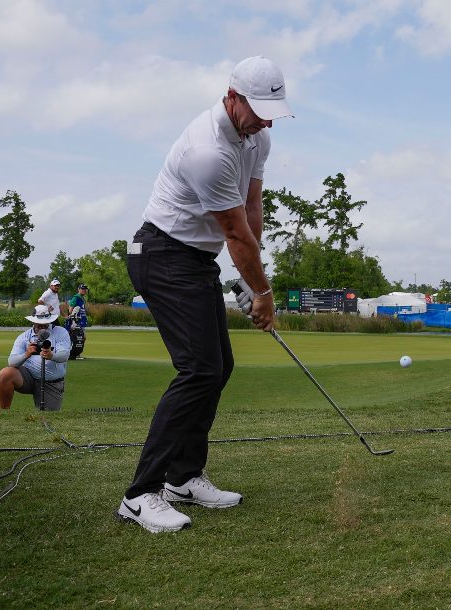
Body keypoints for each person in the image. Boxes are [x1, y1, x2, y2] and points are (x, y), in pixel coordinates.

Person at [117, 56, 291, 534]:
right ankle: (140, 495)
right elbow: (233, 234)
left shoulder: (258, 136)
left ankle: (183, 478)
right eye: (259, 111)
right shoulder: (207, 151)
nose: (266, 121)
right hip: (161, 254)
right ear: (232, 97)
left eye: (273, 113)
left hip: (195, 260)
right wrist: (262, 292)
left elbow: (251, 208)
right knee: (198, 370)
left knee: (219, 367)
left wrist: (253, 280)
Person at [0, 305, 71, 411]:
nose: (42, 325)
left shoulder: (60, 332)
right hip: (28, 377)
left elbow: (64, 355)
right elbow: (12, 362)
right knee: (5, 374)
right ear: (33, 321)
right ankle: (4, 412)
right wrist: (26, 354)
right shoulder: (24, 337)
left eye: (45, 322)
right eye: (38, 322)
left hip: (51, 382)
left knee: (48, 415)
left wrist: (51, 356)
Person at [65, 284, 90, 360]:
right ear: (78, 289)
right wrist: (73, 320)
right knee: (75, 338)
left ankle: (77, 353)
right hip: (75, 322)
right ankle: (72, 353)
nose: (84, 290)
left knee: (82, 338)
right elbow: (70, 310)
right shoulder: (75, 298)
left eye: (85, 289)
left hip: (81, 321)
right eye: (82, 289)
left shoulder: (82, 299)